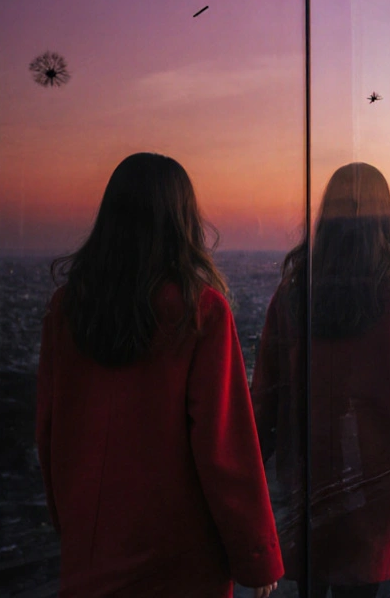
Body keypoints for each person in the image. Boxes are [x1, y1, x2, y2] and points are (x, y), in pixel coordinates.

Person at [36, 153, 282, 597]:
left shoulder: (67, 309)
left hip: (93, 548)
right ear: (182, 221)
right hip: (181, 555)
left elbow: (51, 430)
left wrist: (71, 523)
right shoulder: (199, 311)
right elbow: (225, 448)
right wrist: (256, 554)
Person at [252, 162, 390, 598]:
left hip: (304, 469)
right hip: (375, 474)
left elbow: (266, 389)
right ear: (383, 219)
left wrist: (252, 459)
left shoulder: (292, 292)